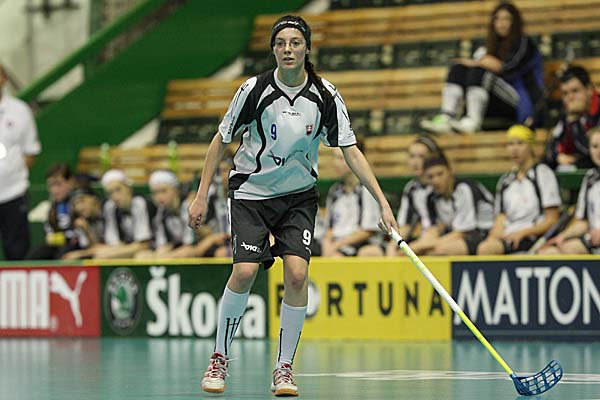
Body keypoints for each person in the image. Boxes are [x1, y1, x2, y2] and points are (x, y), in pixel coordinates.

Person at [187, 15, 397, 397]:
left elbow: (350, 149)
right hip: (251, 193)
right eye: (281, 43)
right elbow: (221, 140)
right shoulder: (253, 90)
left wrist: (382, 203)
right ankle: (219, 357)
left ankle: (283, 368)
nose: (288, 49)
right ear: (273, 49)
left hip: (298, 197)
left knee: (297, 276)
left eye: (295, 42)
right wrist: (201, 195)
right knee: (245, 271)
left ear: (307, 48)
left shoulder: (325, 94)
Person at [420, 1, 543, 134]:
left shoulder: (525, 44)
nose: (501, 23)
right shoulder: (490, 46)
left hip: (518, 102)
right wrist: (481, 63)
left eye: (506, 19)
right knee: (458, 68)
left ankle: (472, 121)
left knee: (479, 72)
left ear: (515, 22)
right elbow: (484, 65)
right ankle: (447, 116)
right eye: (497, 19)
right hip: (491, 102)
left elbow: (509, 69)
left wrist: (486, 64)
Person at [477, 125, 561, 254]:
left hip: (533, 236)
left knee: (486, 249)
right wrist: (493, 237)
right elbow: (500, 219)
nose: (514, 149)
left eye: (520, 143)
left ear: (530, 146)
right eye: (510, 144)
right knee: (485, 247)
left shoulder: (543, 174)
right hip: (509, 236)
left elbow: (552, 219)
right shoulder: (505, 181)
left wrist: (523, 233)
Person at [409, 155, 494, 255]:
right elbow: (434, 229)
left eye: (440, 174)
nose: (436, 180)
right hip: (454, 235)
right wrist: (417, 246)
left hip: (484, 234)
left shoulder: (463, 189)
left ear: (450, 171)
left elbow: (463, 232)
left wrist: (419, 246)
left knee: (438, 251)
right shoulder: (431, 197)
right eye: (431, 177)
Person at [0, 63, 41, 260]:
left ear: (4, 79)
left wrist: (12, 174)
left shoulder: (20, 110)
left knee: (17, 252)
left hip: (13, 193)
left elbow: (30, 151)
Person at [539, 127, 600, 255]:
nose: (598, 151)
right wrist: (563, 236)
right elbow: (583, 222)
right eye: (594, 146)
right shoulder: (590, 179)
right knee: (549, 252)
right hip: (593, 241)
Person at [321, 139, 384, 257]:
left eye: (340, 158)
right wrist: (327, 244)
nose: (336, 163)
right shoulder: (334, 191)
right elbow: (329, 229)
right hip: (339, 246)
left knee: (369, 252)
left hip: (360, 245)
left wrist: (337, 245)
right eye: (335, 158)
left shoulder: (367, 190)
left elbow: (367, 231)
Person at [386, 135, 441, 257]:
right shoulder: (411, 188)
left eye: (421, 156)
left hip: (442, 239)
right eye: (412, 156)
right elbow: (405, 224)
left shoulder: (440, 186)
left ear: (433, 157)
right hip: (424, 239)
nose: (415, 162)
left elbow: (440, 227)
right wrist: (393, 245)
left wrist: (417, 246)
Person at [544, 65, 600, 171]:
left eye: (575, 91)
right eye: (565, 93)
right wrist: (558, 157)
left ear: (589, 90)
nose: (570, 98)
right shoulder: (567, 114)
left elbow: (595, 153)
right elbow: (550, 151)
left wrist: (574, 123)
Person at [92, 169, 154, 259]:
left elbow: (144, 244)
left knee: (142, 257)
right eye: (110, 193)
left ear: (128, 188)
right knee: (100, 255)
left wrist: (112, 254)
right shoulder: (110, 207)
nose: (115, 197)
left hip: (150, 248)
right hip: (128, 247)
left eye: (118, 189)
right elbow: (114, 243)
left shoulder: (139, 203)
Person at [135, 170, 195, 259]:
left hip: (195, 247)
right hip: (176, 248)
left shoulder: (188, 207)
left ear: (175, 190)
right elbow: (163, 245)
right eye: (155, 193)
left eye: (163, 191)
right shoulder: (160, 213)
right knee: (142, 256)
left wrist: (164, 257)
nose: (159, 197)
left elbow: (189, 246)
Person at [27, 163, 76, 260]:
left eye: (59, 184)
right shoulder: (52, 206)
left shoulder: (78, 202)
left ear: (70, 182)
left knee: (63, 254)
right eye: (51, 185)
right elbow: (48, 234)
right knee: (35, 254)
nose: (55, 190)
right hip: (56, 246)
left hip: (75, 247)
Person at [61, 187, 105, 260]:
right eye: (76, 204)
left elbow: (109, 249)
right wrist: (86, 230)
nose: (80, 207)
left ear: (94, 199)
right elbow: (93, 247)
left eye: (82, 201)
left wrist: (80, 254)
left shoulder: (108, 212)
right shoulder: (81, 220)